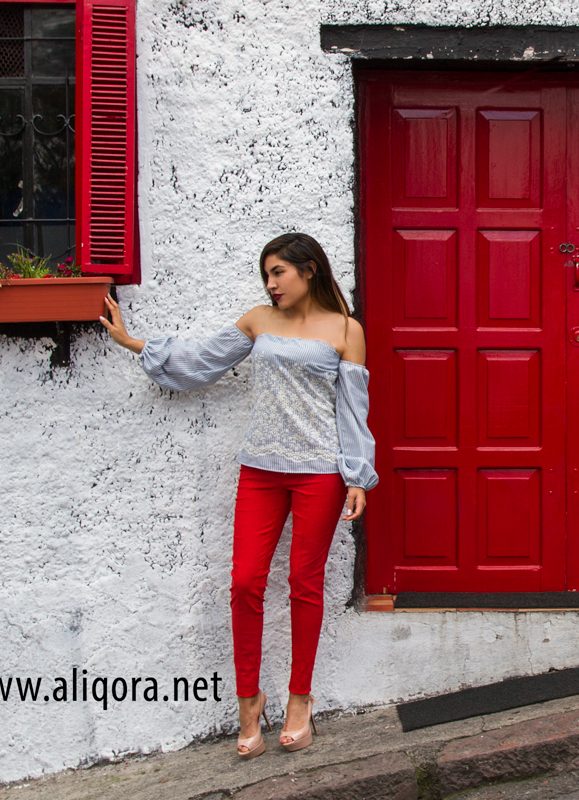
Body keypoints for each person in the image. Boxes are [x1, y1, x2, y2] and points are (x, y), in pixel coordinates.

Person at [100, 233, 378, 759]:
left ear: (309, 270)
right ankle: (249, 701)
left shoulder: (346, 330)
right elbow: (202, 360)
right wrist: (136, 343)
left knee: (303, 582)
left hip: (319, 473)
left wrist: (358, 477)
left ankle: (300, 701)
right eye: (266, 275)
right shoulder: (257, 320)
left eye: (279, 273)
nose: (270, 284)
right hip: (259, 472)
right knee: (245, 581)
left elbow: (352, 410)